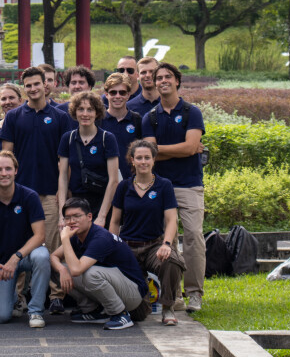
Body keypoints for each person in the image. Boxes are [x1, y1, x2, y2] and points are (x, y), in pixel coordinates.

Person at [1, 66, 74, 315]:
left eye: (36, 84)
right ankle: (19, 295)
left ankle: (56, 296)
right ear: (24, 88)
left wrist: (64, 193)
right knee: (19, 244)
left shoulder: (60, 117)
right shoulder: (13, 117)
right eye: (28, 85)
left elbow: (65, 161)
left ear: (46, 85)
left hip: (50, 192)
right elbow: (6, 156)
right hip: (20, 193)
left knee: (52, 244)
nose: (33, 89)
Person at [142, 62, 206, 313]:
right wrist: (182, 149)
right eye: (159, 78)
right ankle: (174, 294)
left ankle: (194, 293)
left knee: (194, 238)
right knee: (165, 241)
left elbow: (190, 148)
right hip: (160, 186)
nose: (163, 81)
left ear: (177, 81)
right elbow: (150, 154)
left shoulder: (192, 112)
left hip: (189, 185)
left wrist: (159, 150)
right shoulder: (150, 117)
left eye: (168, 76)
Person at [0, 151, 50, 328]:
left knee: (42, 256)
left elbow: (40, 235)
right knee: (0, 316)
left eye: (8, 168)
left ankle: (35, 311)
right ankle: (13, 299)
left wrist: (16, 257)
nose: (4, 173)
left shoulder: (29, 196)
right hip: (1, 262)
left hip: (26, 255)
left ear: (16, 170)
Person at [110, 140, 185, 326]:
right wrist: (114, 246)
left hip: (154, 246)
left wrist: (167, 244)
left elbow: (171, 220)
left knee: (172, 260)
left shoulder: (164, 185)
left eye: (147, 158)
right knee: (138, 315)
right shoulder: (123, 187)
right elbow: (115, 221)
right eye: (139, 158)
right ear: (132, 160)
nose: (143, 162)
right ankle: (142, 302)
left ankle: (167, 307)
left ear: (153, 160)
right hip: (128, 248)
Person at [51, 198, 148, 331]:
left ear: (89, 217)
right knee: (55, 268)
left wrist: (65, 238)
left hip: (132, 294)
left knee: (91, 274)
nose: (72, 221)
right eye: (67, 218)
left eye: (77, 216)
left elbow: (76, 270)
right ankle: (93, 311)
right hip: (114, 286)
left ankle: (120, 314)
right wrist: (62, 270)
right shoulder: (77, 235)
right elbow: (53, 256)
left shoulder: (100, 237)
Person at [57, 91, 120, 229]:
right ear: (75, 112)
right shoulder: (68, 138)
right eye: (81, 109)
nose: (85, 114)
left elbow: (113, 180)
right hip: (76, 204)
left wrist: (102, 216)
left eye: (90, 109)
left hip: (101, 202)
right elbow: (63, 177)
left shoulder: (107, 139)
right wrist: (62, 214)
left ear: (97, 113)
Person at [100, 73, 143, 181]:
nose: (117, 96)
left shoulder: (137, 120)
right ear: (106, 94)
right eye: (113, 92)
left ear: (128, 95)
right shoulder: (98, 121)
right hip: (103, 182)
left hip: (131, 181)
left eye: (122, 92)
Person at [0, 83, 22, 152]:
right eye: (3, 99)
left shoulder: (28, 125)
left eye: (11, 98)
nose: (8, 102)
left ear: (20, 100)